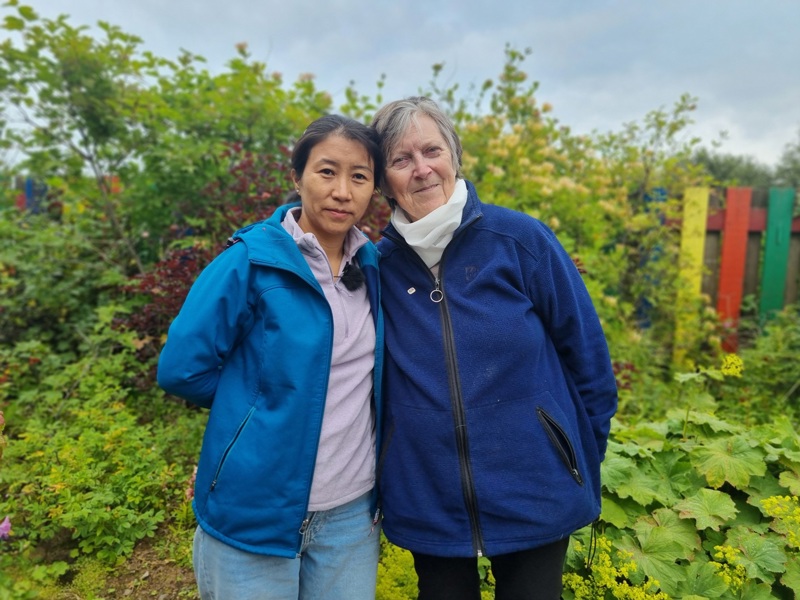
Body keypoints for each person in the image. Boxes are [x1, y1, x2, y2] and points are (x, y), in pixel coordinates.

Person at [371, 97, 618, 600]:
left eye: (432, 151)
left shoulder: (520, 241)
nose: (422, 169)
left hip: (534, 486)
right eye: (401, 159)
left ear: (454, 157)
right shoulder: (377, 268)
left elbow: (588, 359)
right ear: (383, 182)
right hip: (429, 494)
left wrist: (572, 456)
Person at [157, 114, 385, 600]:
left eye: (359, 177)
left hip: (350, 516)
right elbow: (181, 368)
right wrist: (257, 407)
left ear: (374, 189)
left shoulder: (374, 267)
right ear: (297, 177)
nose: (342, 191)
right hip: (255, 508)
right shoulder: (250, 261)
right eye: (327, 171)